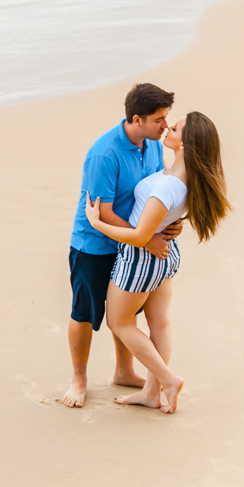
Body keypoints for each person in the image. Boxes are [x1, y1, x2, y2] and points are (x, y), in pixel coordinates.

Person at [84, 111, 231, 413]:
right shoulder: (186, 178)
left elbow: (140, 236)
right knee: (159, 323)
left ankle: (167, 379)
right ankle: (151, 393)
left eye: (174, 128)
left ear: (185, 145)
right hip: (165, 255)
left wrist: (97, 223)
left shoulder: (168, 186)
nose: (167, 128)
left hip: (140, 261)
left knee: (119, 322)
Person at [64, 83, 182, 408]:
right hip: (94, 244)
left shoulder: (153, 144)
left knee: (126, 311)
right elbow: (103, 213)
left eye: (166, 118)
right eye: (159, 119)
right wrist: (146, 238)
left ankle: (124, 371)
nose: (165, 125)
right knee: (84, 314)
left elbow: (157, 192)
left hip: (132, 241)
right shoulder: (105, 153)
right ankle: (79, 379)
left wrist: (171, 224)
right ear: (136, 119)